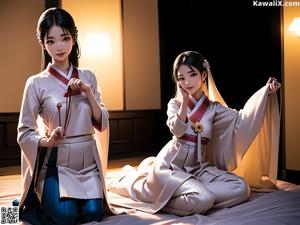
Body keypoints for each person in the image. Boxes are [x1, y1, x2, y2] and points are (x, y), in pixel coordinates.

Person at [108, 50, 281, 216]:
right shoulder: (174, 104)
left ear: (203, 75)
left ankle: (186, 196)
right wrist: (184, 102)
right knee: (203, 199)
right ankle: (179, 197)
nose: (187, 82)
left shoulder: (213, 108)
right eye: (181, 78)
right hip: (170, 166)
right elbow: (177, 129)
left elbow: (242, 119)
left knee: (241, 188)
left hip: (197, 168)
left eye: (192, 75)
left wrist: (265, 93)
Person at [17, 7, 111, 224]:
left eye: (64, 38)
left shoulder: (89, 76)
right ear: (42, 44)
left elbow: (103, 123)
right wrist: (47, 141)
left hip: (88, 162)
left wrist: (88, 93)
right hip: (57, 164)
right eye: (51, 41)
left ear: (74, 38)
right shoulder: (35, 83)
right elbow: (24, 132)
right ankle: (25, 205)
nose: (59, 46)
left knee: (93, 214)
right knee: (65, 217)